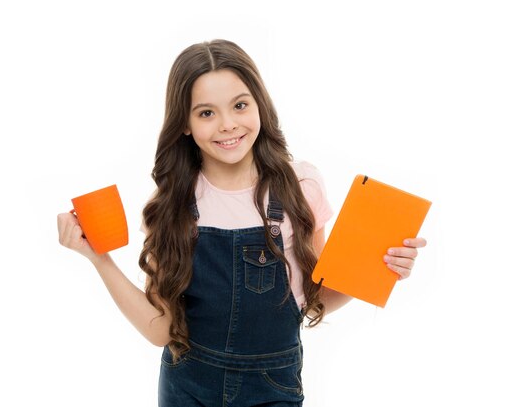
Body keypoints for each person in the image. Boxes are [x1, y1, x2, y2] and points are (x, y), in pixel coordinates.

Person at [57, 39, 427, 407]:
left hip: (273, 385)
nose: (228, 125)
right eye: (206, 113)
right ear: (183, 124)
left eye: (239, 105)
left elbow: (314, 302)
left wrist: (380, 266)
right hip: (187, 384)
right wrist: (98, 259)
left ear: (259, 105)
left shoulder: (301, 188)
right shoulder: (170, 205)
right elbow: (160, 330)